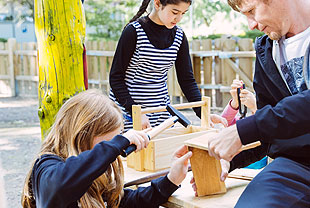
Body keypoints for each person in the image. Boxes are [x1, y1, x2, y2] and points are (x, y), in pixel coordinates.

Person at [205, 0, 310, 207]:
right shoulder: (266, 50)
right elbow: (269, 130)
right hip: (296, 166)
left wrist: (245, 130)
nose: (251, 25)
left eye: (252, 11)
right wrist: (230, 158)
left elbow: (260, 125)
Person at [21, 90, 192, 208]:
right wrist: (117, 144)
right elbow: (59, 187)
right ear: (83, 135)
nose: (114, 150)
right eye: (109, 141)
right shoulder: (45, 167)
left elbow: (123, 202)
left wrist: (171, 180)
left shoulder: (92, 171)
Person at [109, 0, 227, 131]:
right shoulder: (133, 32)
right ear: (158, 4)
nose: (179, 18)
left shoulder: (179, 36)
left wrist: (204, 114)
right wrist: (135, 112)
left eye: (183, 13)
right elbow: (116, 78)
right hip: (128, 113)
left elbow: (187, 80)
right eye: (175, 12)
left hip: (160, 112)